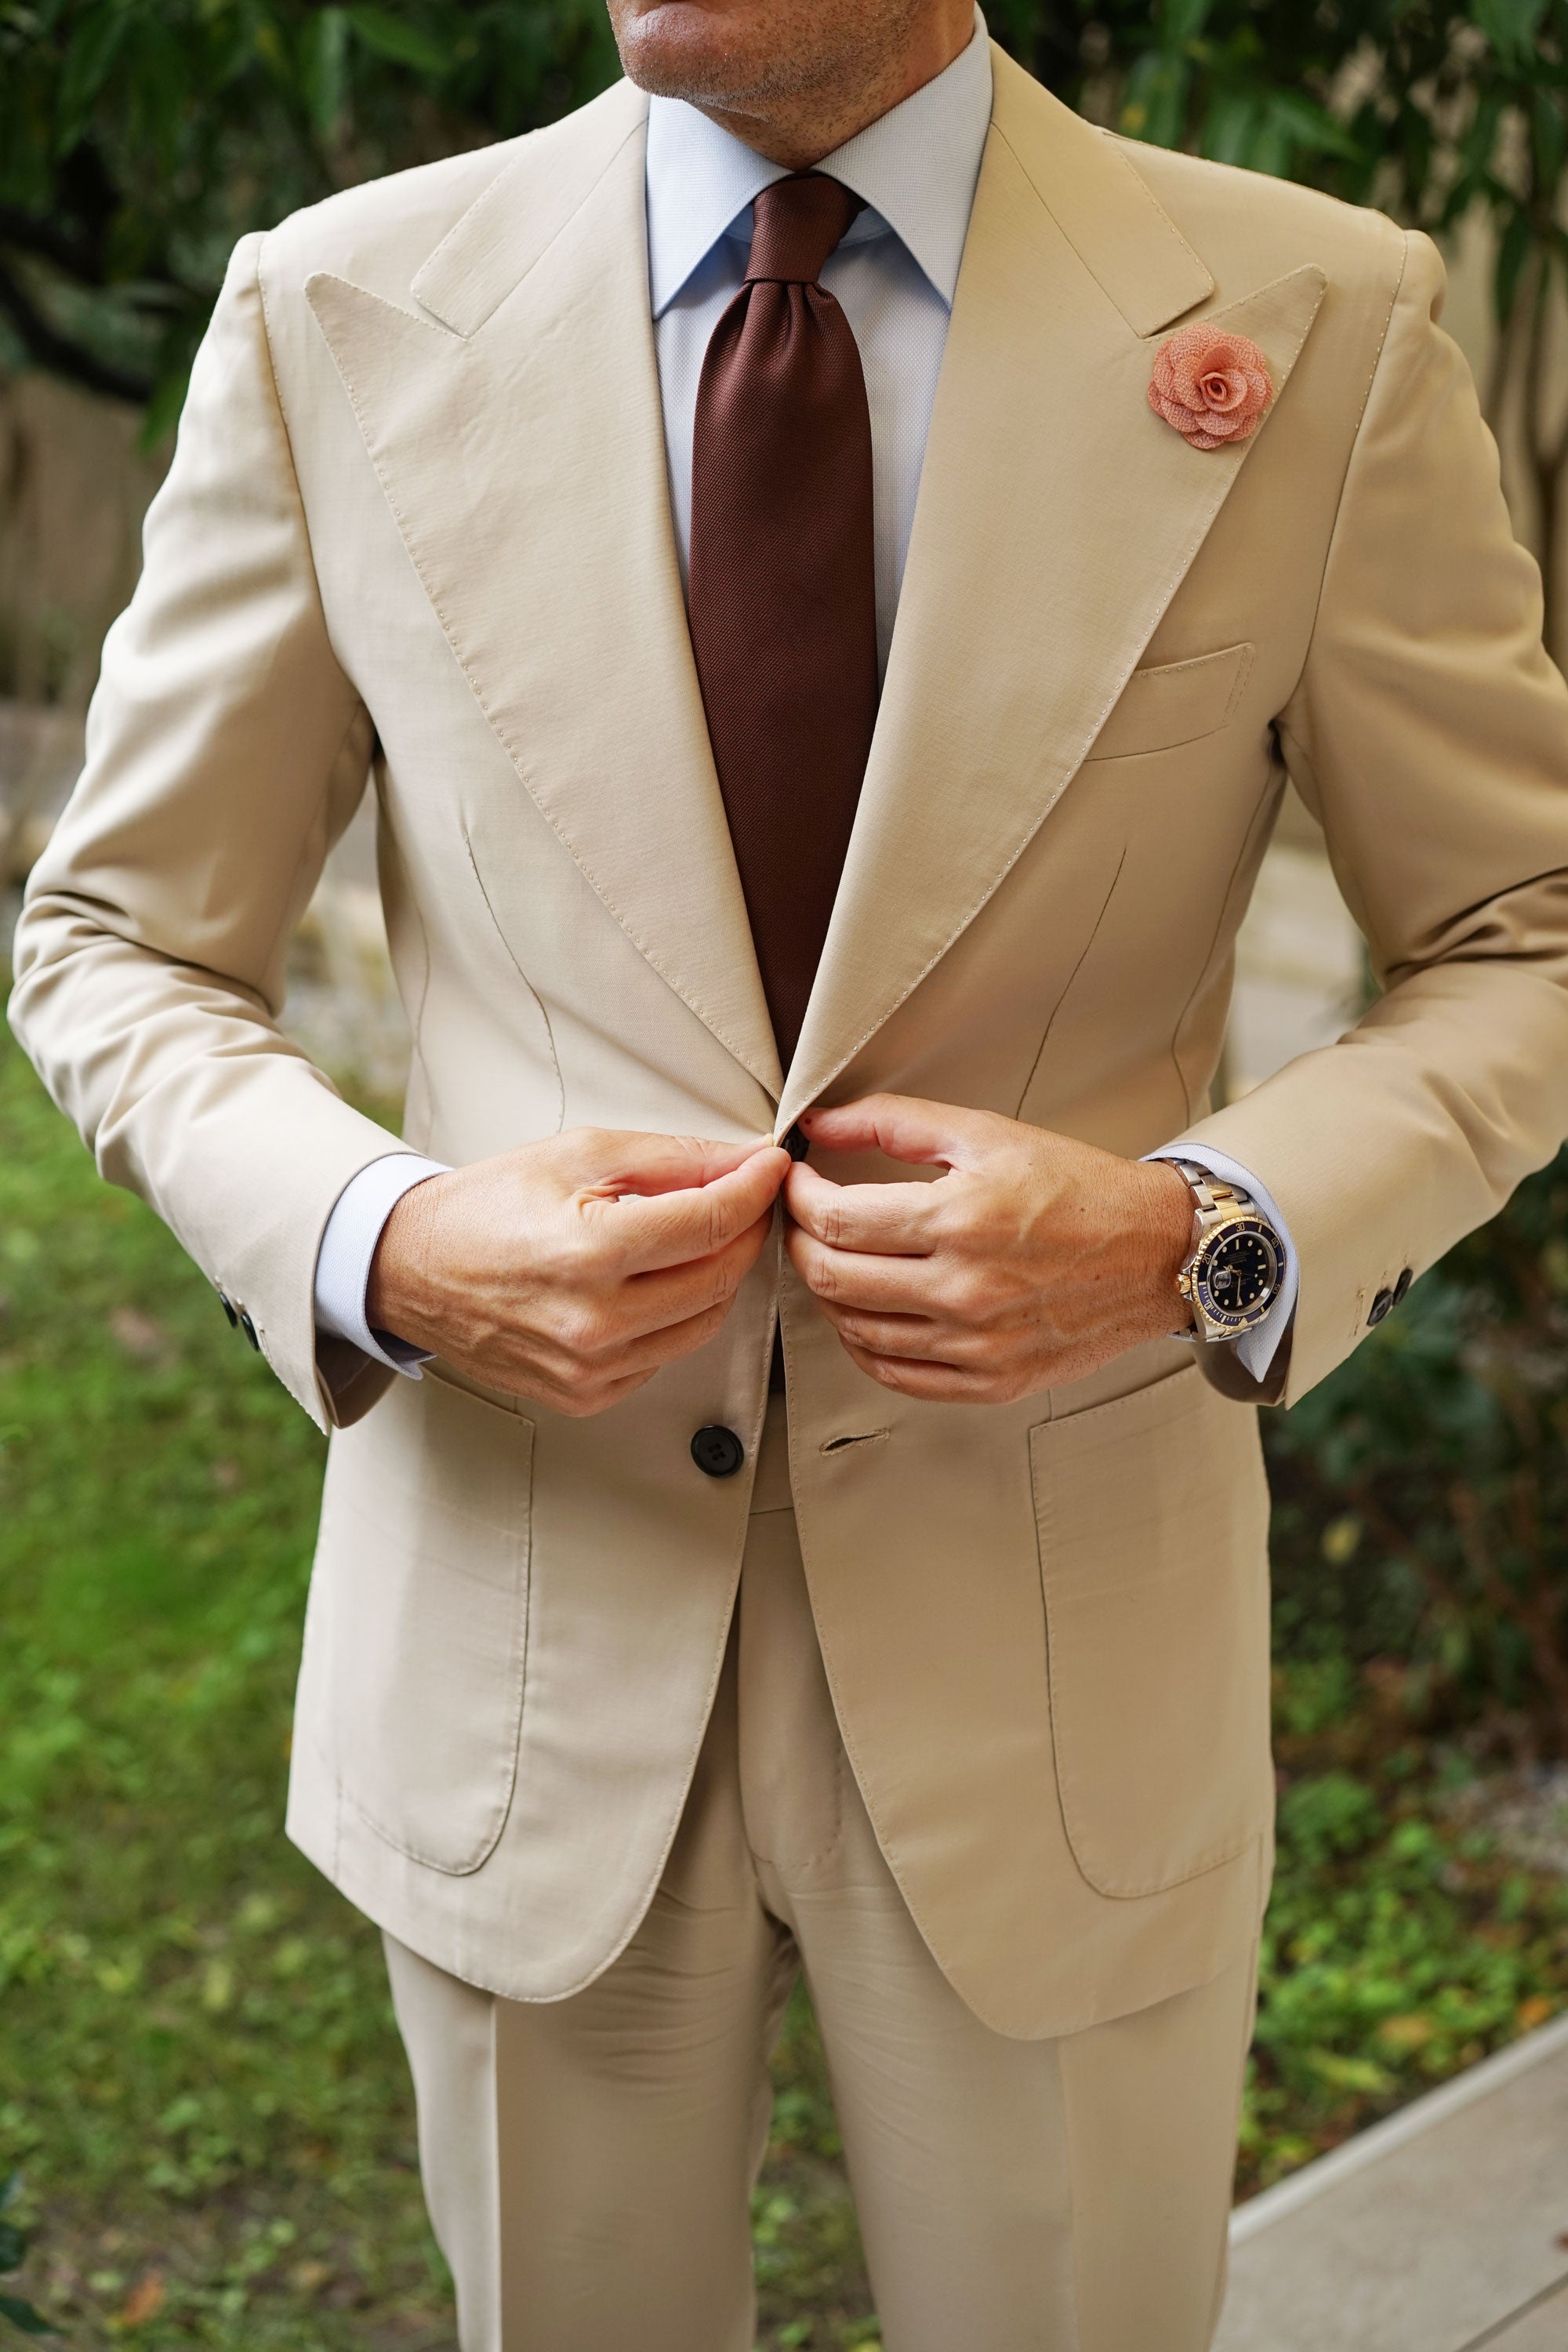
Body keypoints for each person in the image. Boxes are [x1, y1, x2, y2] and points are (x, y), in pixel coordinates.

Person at [12, 0, 1568, 2342]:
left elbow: (1520, 937)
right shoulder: (333, 309)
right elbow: (116, 933)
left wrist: (1199, 1232)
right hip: (525, 1647)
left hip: (1064, 1669)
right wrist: (386, 1242)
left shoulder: (1318, 324)